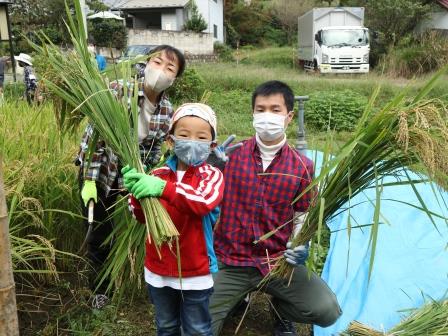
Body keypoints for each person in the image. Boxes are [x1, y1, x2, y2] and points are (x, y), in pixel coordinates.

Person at [210, 81, 341, 336]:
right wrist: (206, 168)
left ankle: (280, 309)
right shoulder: (230, 157)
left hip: (277, 263)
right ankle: (236, 298)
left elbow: (302, 212)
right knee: (195, 327)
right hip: (229, 260)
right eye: (260, 109)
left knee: (327, 311)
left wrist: (301, 244)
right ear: (252, 114)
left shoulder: (302, 166)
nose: (266, 116)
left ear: (289, 116)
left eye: (275, 109)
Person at [76, 45, 185, 308]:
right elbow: (94, 137)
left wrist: (147, 175)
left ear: (175, 78)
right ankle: (100, 290)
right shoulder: (118, 90)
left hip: (131, 179)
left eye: (169, 68)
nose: (161, 70)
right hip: (100, 173)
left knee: (126, 230)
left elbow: (155, 148)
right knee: (100, 234)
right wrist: (89, 179)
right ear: (146, 63)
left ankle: (128, 277)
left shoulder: (167, 109)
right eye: (157, 62)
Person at [122, 103, 224, 336]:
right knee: (166, 326)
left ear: (212, 145)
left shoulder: (212, 176)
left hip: (196, 272)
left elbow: (202, 202)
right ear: (170, 140)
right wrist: (136, 193)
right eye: (184, 135)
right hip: (159, 270)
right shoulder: (156, 175)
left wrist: (163, 189)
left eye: (201, 137)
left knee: (197, 330)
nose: (192, 141)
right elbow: (139, 216)